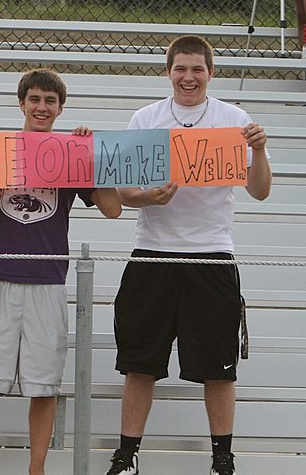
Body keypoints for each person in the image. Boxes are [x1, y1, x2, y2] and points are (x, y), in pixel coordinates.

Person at [104, 35, 271, 475]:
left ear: (210, 73)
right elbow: (125, 194)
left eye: (197, 69)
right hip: (153, 254)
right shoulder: (146, 118)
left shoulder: (234, 120)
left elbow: (260, 190)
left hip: (211, 255)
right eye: (181, 68)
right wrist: (150, 198)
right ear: (169, 72)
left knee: (219, 367)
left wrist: (258, 148)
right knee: (139, 363)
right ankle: (127, 455)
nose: (189, 77)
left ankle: (222, 458)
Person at [0, 68, 122, 475]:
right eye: (34, 100)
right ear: (21, 104)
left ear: (61, 108)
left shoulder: (70, 151)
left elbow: (113, 208)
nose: (42, 107)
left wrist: (93, 157)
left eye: (50, 101)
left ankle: (37, 467)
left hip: (47, 278)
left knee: (44, 382)